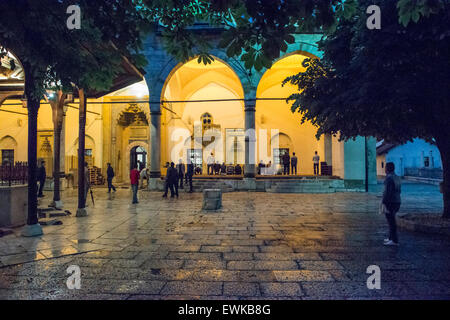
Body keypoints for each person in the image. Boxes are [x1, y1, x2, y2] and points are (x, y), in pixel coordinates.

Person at [382, 162, 401, 246]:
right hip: (397, 201)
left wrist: (384, 202)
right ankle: (390, 238)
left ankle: (394, 240)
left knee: (391, 221)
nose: (384, 169)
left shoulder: (389, 178)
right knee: (391, 220)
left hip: (390, 202)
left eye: (385, 167)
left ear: (387, 169)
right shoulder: (397, 177)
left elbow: (387, 192)